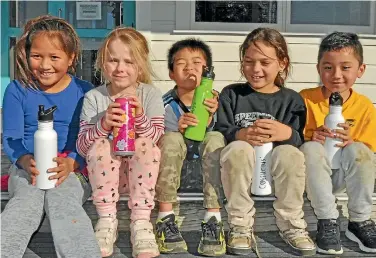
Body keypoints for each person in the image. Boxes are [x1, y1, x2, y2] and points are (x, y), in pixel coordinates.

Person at [203, 27, 316, 256]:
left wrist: (285, 133)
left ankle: (291, 224)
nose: (255, 69)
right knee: (238, 148)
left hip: (274, 176)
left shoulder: (291, 100)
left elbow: (299, 138)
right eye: (249, 61)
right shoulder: (232, 94)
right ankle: (240, 224)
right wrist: (241, 135)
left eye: (265, 62)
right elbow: (222, 128)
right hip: (238, 173)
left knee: (291, 154)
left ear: (282, 63)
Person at [1, 15, 101, 258]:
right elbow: (11, 137)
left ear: (71, 58)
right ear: (26, 55)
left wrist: (73, 162)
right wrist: (25, 161)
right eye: (37, 56)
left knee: (63, 199)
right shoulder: (17, 90)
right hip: (28, 167)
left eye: (54, 57)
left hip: (72, 170)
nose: (45, 65)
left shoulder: (84, 91)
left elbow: (86, 135)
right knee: (25, 200)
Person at [76, 27, 164, 258]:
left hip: (140, 181)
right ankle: (106, 220)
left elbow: (157, 140)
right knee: (101, 145)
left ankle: (141, 223)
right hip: (105, 183)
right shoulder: (94, 98)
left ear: (141, 65)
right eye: (113, 60)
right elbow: (83, 148)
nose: (120, 68)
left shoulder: (151, 95)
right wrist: (103, 124)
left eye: (129, 61)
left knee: (145, 143)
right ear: (103, 63)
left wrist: (140, 116)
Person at [300, 31, 376, 255]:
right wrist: (311, 135)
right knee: (311, 147)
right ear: (318, 69)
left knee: (360, 150)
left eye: (345, 67)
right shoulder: (304, 99)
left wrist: (352, 141)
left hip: (345, 177)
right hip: (313, 177)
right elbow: (294, 141)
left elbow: (368, 152)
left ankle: (360, 221)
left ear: (360, 70)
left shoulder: (364, 107)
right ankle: (327, 220)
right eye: (328, 67)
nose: (336, 75)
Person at [154, 38, 226, 256]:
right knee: (171, 138)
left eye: (197, 62)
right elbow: (156, 140)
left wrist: (214, 116)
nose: (189, 67)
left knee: (215, 138)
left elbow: (229, 135)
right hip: (174, 177)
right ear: (171, 73)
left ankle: (213, 219)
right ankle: (165, 218)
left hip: (209, 176)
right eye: (181, 63)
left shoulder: (219, 101)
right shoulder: (164, 104)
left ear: (207, 71)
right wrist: (177, 128)